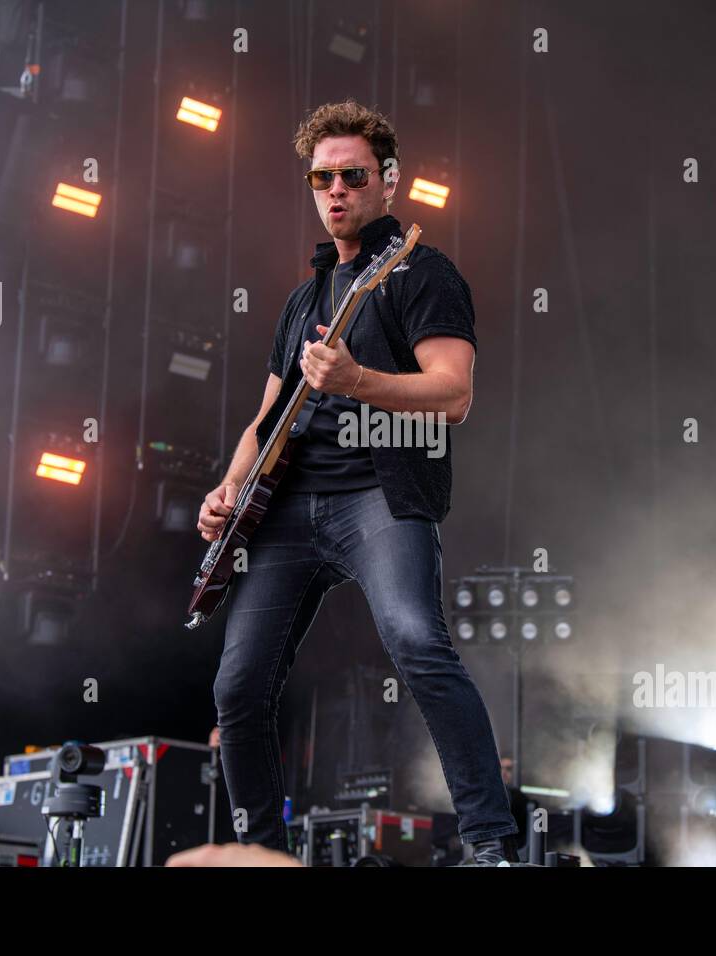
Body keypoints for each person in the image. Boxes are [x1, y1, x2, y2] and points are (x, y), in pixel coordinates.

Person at [197, 99, 520, 865]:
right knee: (237, 689)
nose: (336, 189)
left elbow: (454, 394)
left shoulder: (420, 272)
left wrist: (359, 379)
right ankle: (260, 854)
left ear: (388, 182)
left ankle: (490, 845)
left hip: (378, 496)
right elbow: (265, 420)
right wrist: (228, 489)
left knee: (416, 639)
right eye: (322, 177)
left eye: (353, 175)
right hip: (285, 512)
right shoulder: (302, 300)